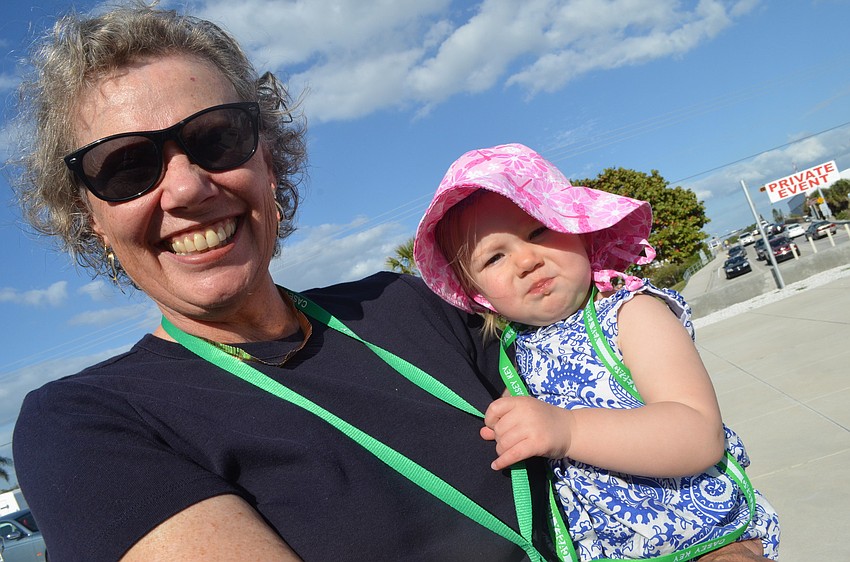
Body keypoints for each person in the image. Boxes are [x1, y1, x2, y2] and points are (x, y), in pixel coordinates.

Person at [7, 3, 775, 561]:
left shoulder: (408, 303)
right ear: (90, 219)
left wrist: (720, 546)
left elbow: (618, 398)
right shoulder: (88, 426)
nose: (183, 188)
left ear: (270, 160)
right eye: (127, 166)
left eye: (216, 138)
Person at [413, 143, 781, 561]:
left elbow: (699, 433)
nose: (526, 260)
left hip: (706, 542)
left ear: (579, 229)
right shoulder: (507, 357)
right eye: (495, 257)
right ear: (476, 292)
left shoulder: (632, 314)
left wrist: (566, 430)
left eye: (539, 231)